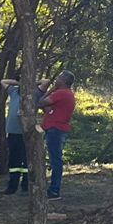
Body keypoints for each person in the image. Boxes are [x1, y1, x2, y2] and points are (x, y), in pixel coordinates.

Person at [37, 71, 76, 199]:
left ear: (64, 81)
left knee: (55, 160)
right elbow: (47, 107)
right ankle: (52, 188)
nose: (56, 79)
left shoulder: (61, 93)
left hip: (56, 129)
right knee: (55, 159)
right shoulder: (66, 94)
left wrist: (50, 90)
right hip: (56, 128)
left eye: (59, 77)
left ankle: (54, 190)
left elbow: (40, 102)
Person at [0, 77, 28, 194]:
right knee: (13, 161)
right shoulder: (14, 92)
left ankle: (26, 187)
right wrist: (19, 82)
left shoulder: (33, 94)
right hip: (12, 132)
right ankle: (12, 187)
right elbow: (3, 82)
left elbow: (46, 82)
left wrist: (30, 82)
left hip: (25, 133)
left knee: (25, 161)